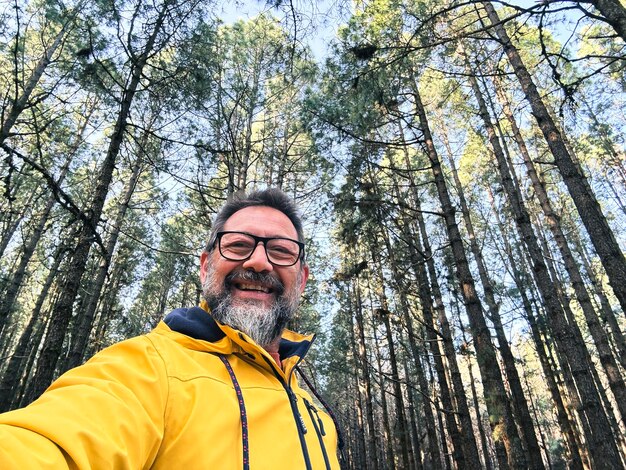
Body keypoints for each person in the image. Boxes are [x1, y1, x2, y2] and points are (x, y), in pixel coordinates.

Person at [0, 188, 341, 469]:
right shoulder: (149, 368)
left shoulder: (315, 409)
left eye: (281, 251)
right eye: (238, 245)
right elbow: (51, 444)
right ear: (206, 265)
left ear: (302, 279)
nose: (258, 261)